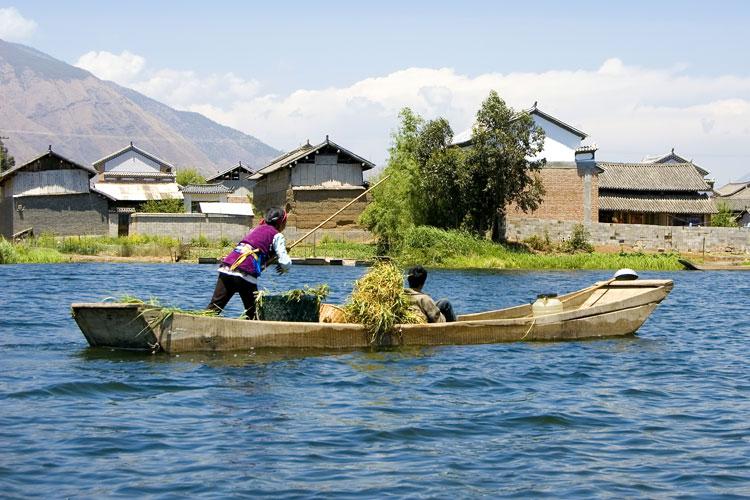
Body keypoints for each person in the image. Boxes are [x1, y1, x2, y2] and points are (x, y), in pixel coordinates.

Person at [207, 207, 292, 319]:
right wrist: (284, 267)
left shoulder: (255, 230)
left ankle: (199, 325)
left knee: (214, 308)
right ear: (281, 223)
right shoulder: (277, 235)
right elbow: (285, 261)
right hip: (245, 274)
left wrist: (271, 256)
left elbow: (255, 248)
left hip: (228, 268)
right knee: (254, 313)